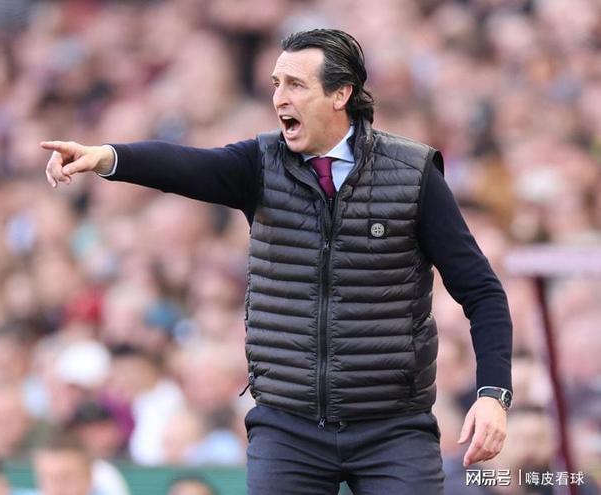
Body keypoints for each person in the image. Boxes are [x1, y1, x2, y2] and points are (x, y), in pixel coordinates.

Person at [42, 28, 513, 495]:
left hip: (393, 425)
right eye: (276, 84)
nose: (279, 98)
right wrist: (106, 157)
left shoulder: (412, 175)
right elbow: (185, 166)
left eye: (296, 85)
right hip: (288, 426)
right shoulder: (260, 164)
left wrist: (492, 394)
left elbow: (482, 292)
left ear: (341, 94)